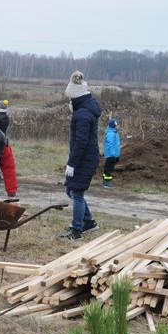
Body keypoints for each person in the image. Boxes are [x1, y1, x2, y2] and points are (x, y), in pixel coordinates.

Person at [60, 71, 102, 240]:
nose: (70, 102)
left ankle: (77, 230)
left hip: (85, 159)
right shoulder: (85, 109)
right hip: (86, 157)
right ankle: (89, 222)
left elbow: (81, 142)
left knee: (76, 192)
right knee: (70, 190)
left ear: (76, 97)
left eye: (71, 99)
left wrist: (72, 163)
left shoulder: (83, 115)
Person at [102, 118, 121, 188]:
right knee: (109, 169)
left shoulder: (115, 133)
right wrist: (113, 155)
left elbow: (116, 145)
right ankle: (107, 183)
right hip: (111, 155)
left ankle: (105, 181)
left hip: (114, 154)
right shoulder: (111, 134)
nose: (118, 126)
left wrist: (117, 155)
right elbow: (111, 145)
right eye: (117, 125)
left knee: (109, 168)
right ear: (114, 126)